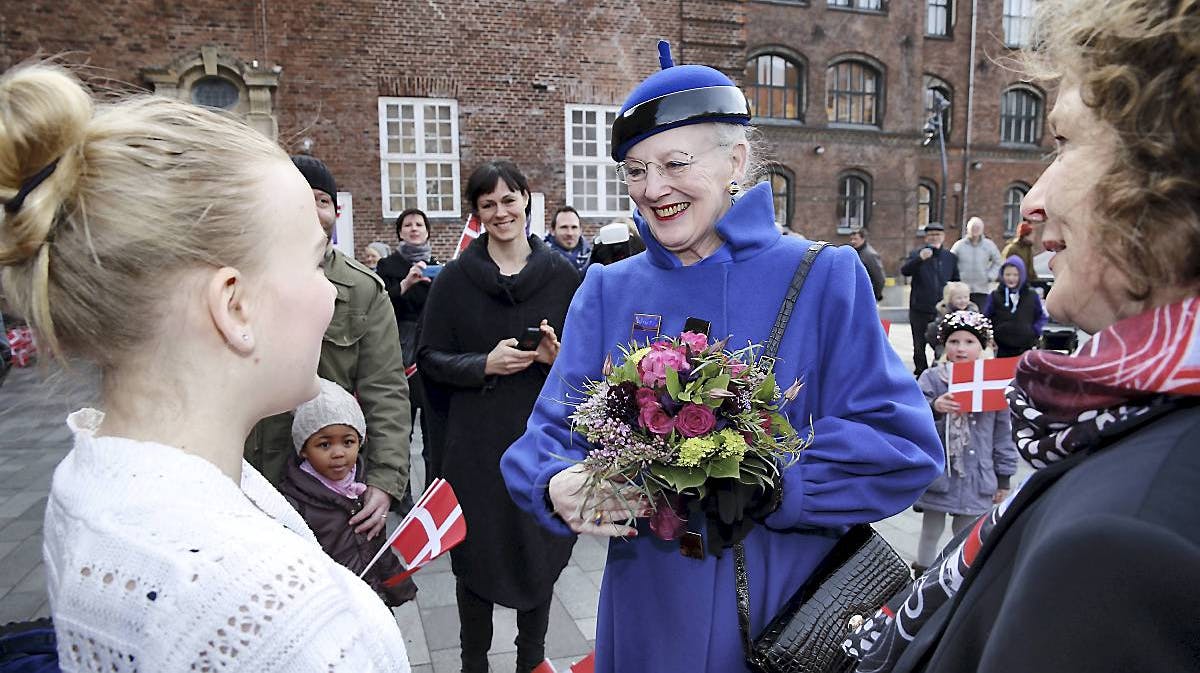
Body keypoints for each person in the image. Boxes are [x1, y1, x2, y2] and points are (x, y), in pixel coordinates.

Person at [499, 41, 943, 673]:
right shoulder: (607, 288)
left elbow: (903, 447)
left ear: (735, 158)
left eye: (675, 163)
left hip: (775, 615)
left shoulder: (821, 277)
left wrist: (771, 482)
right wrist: (557, 481)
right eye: (634, 169)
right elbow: (547, 436)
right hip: (646, 613)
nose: (653, 190)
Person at [0, 64, 409, 670]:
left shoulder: (95, 474)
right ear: (233, 304)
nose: (330, 293)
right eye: (315, 262)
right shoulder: (281, 615)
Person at [846, 2, 1200, 670]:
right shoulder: (1127, 420)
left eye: (1064, 143)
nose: (1033, 200)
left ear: (1166, 174)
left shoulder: (1125, 545)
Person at [417, 161, 581, 673]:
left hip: (543, 444)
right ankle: (473, 664)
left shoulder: (561, 276)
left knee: (539, 546)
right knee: (477, 556)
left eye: (509, 200)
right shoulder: (456, 280)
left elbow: (594, 365)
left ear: (527, 201)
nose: (500, 212)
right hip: (476, 448)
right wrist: (482, 364)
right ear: (477, 212)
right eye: (488, 204)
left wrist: (559, 360)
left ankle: (531, 659)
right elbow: (429, 358)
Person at [245, 156, 411, 547]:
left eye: (321, 200)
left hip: (334, 485)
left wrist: (384, 480)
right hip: (254, 478)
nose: (311, 210)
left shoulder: (362, 290)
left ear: (334, 211)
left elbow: (385, 388)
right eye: (298, 197)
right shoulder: (242, 279)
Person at [280, 378, 417, 606]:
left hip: (373, 602)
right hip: (334, 608)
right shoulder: (294, 505)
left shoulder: (365, 488)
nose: (338, 453)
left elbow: (378, 548)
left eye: (348, 442)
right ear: (303, 449)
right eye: (324, 445)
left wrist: (400, 586)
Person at [912, 311, 1016, 575]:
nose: (961, 348)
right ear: (944, 344)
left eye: (969, 342)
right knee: (930, 530)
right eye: (954, 341)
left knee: (967, 534)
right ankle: (920, 577)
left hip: (976, 473)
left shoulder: (992, 381)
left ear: (982, 346)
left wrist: (1004, 477)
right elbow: (911, 415)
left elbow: (1002, 433)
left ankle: (957, 581)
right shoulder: (932, 378)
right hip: (941, 471)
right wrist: (934, 407)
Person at [375, 207, 441, 479]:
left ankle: (430, 487)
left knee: (431, 427)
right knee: (401, 425)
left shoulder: (439, 266)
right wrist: (406, 283)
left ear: (427, 231)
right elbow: (380, 306)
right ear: (400, 232)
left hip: (429, 347)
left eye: (419, 224)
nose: (414, 229)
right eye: (407, 225)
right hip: (399, 347)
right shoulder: (387, 266)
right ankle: (400, 495)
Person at [901, 222, 960, 375]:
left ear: (943, 237)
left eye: (938, 235)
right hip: (919, 308)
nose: (935, 238)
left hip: (941, 309)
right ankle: (921, 373)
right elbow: (905, 271)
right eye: (931, 235)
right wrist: (919, 260)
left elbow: (955, 280)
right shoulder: (917, 254)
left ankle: (938, 373)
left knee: (939, 343)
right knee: (919, 345)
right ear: (926, 238)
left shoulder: (950, 257)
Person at [982, 256, 1046, 358]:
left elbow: (1041, 316)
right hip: (1001, 347)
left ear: (1022, 275)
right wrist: (990, 337)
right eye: (1008, 274)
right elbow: (985, 318)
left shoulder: (1031, 295)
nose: (1011, 278)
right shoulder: (995, 295)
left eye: (1015, 275)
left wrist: (1035, 331)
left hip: (1025, 347)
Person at [950, 216, 1003, 308]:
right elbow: (950, 262)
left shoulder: (989, 245)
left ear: (982, 229)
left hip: (981, 289)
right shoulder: (959, 245)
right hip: (962, 290)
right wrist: (956, 279)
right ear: (967, 229)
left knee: (979, 316)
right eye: (972, 228)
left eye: (977, 228)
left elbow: (998, 261)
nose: (975, 230)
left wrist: (991, 276)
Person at [922, 281, 979, 362]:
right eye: (959, 298)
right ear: (950, 299)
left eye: (965, 297)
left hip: (969, 349)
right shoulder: (944, 313)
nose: (963, 301)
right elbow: (932, 333)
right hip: (946, 349)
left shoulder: (973, 313)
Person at [544, 205, 591, 276]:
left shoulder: (593, 259)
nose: (570, 233)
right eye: (564, 227)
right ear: (552, 231)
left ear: (580, 230)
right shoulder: (541, 260)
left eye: (574, 227)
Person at [848, 228, 886, 302]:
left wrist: (874, 295)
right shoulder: (855, 252)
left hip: (866, 296)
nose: (853, 242)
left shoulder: (870, 255)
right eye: (851, 239)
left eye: (856, 239)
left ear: (863, 239)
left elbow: (879, 278)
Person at [1000, 220, 1037, 285]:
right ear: (1025, 235)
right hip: (1015, 283)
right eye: (1032, 234)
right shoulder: (1012, 249)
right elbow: (1006, 267)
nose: (1034, 237)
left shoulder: (1028, 248)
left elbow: (1030, 268)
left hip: (1027, 283)